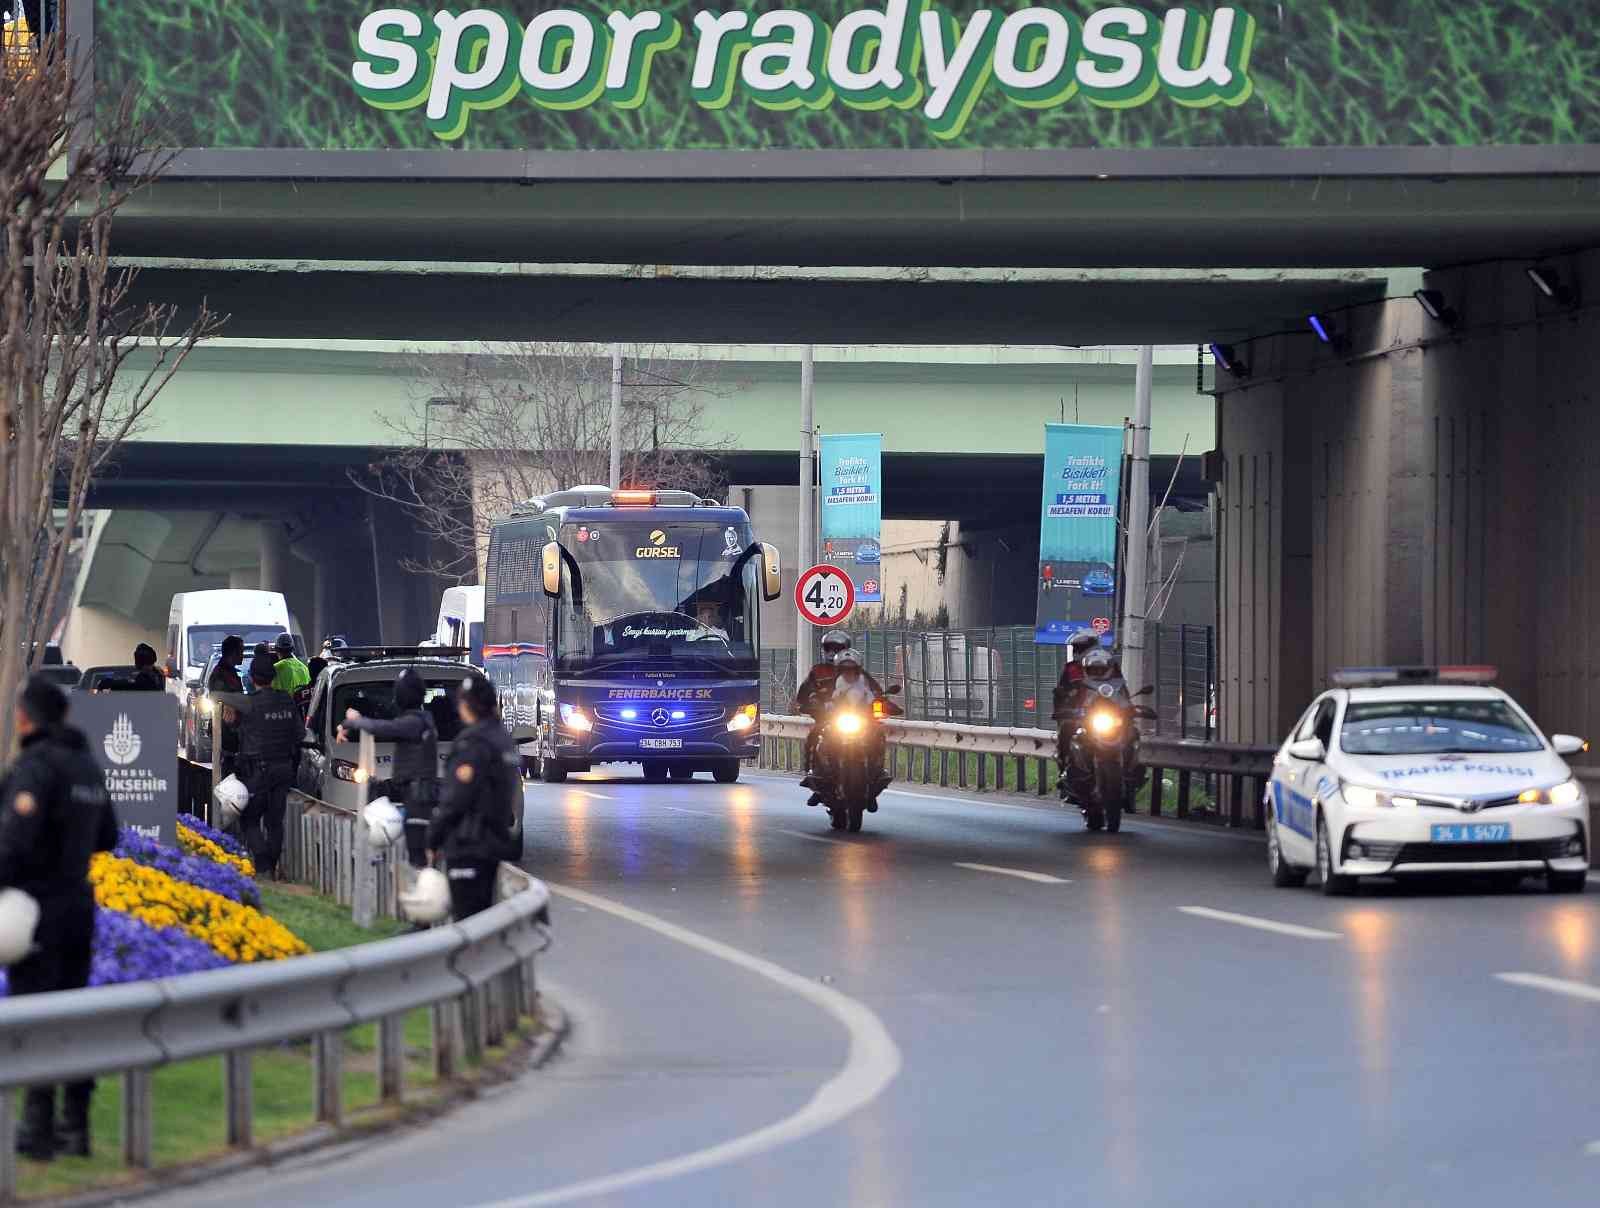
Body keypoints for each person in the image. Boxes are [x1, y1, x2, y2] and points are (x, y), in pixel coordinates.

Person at [0, 676, 119, 1160]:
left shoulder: (34, 767)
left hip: (38, 911)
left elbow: (13, 846)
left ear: (25, 718)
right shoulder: (88, 766)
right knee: (71, 1014)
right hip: (79, 907)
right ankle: (76, 1126)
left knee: (38, 1014)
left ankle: (39, 1128)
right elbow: (108, 836)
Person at [427, 674, 518, 920]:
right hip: (493, 844)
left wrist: (433, 838)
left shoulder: (473, 744)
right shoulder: (502, 739)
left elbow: (455, 799)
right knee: (482, 920)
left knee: (466, 920)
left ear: (467, 705)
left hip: (469, 844)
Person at [338, 668, 439, 870]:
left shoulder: (415, 723)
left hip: (417, 799)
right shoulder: (421, 721)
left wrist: (354, 721)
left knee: (417, 860)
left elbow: (384, 727)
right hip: (411, 795)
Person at [214, 655, 301, 879]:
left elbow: (216, 695)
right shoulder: (288, 701)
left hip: (257, 771)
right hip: (283, 768)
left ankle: (262, 864)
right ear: (273, 677)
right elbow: (299, 734)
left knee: (250, 819)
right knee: (275, 821)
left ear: (252, 678)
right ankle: (271, 867)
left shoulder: (249, 702)